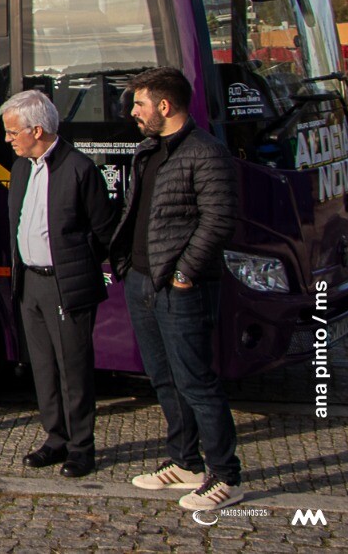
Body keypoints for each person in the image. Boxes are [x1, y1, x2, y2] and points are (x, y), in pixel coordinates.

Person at [112, 67, 243, 510]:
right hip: (143, 281)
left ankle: (226, 475)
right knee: (164, 379)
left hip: (180, 287)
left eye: (139, 104)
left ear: (164, 107)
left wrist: (185, 272)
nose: (133, 112)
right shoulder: (149, 150)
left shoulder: (206, 153)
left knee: (197, 382)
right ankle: (185, 463)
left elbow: (219, 219)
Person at [0, 90, 118, 478]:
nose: (7, 139)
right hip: (30, 283)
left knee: (74, 369)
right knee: (44, 367)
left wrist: (76, 263)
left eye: (12, 131)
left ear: (37, 129)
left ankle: (82, 446)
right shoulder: (21, 168)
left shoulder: (79, 168)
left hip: (66, 283)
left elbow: (103, 230)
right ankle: (55, 438)